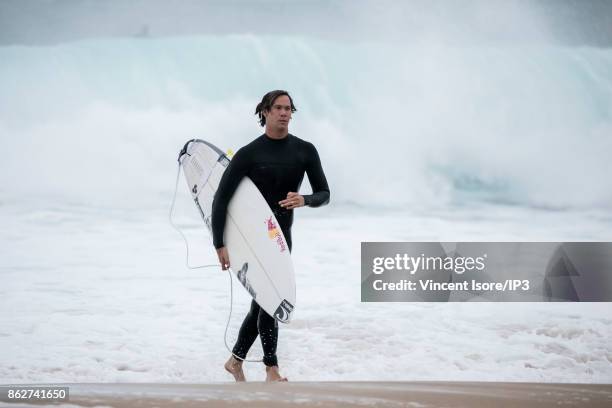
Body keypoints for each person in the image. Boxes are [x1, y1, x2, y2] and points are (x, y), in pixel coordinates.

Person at [211, 90, 330, 382]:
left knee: (265, 300)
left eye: (288, 108)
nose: (284, 113)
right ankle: (271, 368)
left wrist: (305, 200)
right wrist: (220, 244)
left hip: (280, 239)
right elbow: (221, 200)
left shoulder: (305, 151)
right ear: (264, 112)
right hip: (251, 239)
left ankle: (236, 361)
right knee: (268, 299)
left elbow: (324, 194)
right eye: (277, 107)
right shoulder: (249, 154)